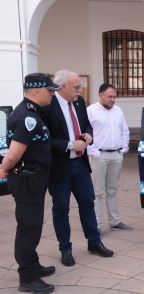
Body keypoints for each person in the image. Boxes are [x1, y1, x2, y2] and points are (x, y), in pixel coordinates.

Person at [41, 70, 113, 268]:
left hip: (80, 165)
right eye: (76, 87)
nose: (79, 90)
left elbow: (87, 126)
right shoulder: (48, 106)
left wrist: (88, 136)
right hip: (59, 166)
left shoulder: (79, 103)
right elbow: (45, 139)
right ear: (63, 87)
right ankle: (65, 249)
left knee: (88, 203)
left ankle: (94, 242)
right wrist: (70, 145)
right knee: (61, 208)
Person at [0, 73, 60, 293]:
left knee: (32, 225)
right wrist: (4, 169)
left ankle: (32, 265)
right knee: (29, 228)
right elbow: (14, 153)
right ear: (36, 91)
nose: (53, 94)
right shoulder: (28, 116)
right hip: (27, 179)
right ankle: (27, 278)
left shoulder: (33, 112)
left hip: (32, 178)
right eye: (50, 90)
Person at [87, 83, 132, 235]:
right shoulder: (90, 111)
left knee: (112, 190)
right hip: (99, 155)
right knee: (98, 192)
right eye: (110, 97)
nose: (112, 100)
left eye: (114, 97)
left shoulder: (118, 110)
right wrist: (93, 151)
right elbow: (84, 133)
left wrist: (123, 150)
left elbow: (124, 131)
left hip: (116, 155)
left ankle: (114, 221)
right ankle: (96, 225)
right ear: (100, 95)